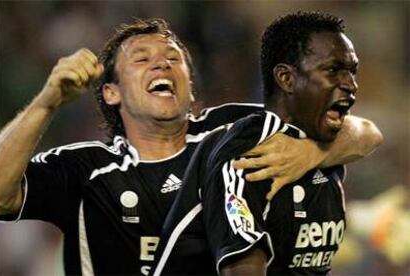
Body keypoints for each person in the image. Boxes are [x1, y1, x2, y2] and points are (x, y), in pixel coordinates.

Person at [0, 17, 381, 275]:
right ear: (111, 92)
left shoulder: (233, 130)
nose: (161, 66)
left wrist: (314, 151)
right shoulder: (86, 170)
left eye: (173, 58)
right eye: (143, 59)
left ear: (191, 85)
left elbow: (363, 132)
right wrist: (47, 102)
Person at [152, 11, 383, 276]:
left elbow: (370, 134)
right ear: (286, 78)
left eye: (352, 71)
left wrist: (312, 153)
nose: (350, 84)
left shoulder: (326, 148)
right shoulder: (252, 152)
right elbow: (242, 268)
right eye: (332, 70)